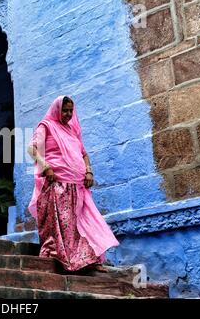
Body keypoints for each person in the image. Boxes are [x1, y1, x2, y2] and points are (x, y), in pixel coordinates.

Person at [27, 95, 119, 272]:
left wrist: (89, 171)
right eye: (65, 110)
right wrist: (45, 165)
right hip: (57, 182)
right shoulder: (46, 126)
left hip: (78, 185)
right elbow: (32, 148)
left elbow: (84, 153)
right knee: (65, 223)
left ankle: (90, 260)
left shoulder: (72, 130)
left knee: (83, 222)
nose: (69, 114)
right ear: (56, 109)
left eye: (71, 111)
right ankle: (70, 261)